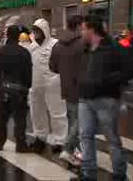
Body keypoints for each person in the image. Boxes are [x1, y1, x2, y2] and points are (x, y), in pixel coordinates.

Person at [72, 15, 132, 181]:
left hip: (105, 99)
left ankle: (120, 175)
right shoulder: (84, 49)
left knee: (111, 138)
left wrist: (108, 82)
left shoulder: (112, 48)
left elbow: (128, 70)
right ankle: (88, 174)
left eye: (83, 28)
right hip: (85, 98)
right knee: (85, 136)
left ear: (92, 29)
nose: (81, 31)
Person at [0, 25, 32, 152]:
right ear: (18, 36)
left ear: (7, 35)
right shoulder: (24, 52)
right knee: (20, 119)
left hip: (1, 89)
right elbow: (28, 72)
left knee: (1, 119)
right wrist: (26, 87)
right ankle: (20, 143)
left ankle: (0, 143)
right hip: (19, 89)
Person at [28, 18, 68, 153]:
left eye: (38, 30)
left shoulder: (55, 44)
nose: (36, 33)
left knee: (57, 112)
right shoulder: (32, 46)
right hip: (35, 84)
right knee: (37, 112)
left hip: (53, 84)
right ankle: (40, 137)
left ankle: (60, 140)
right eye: (34, 30)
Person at [50, 15, 84, 165]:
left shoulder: (58, 45)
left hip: (67, 87)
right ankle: (69, 149)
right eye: (83, 26)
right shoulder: (83, 44)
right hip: (83, 88)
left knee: (72, 120)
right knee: (79, 122)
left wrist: (65, 71)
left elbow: (53, 67)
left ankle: (77, 151)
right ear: (77, 26)